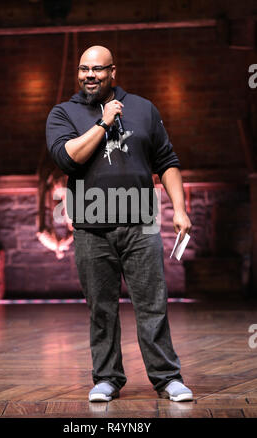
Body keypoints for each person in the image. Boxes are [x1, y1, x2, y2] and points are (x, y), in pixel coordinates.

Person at [46, 45, 193, 402]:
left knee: (152, 304)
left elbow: (167, 161)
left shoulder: (144, 109)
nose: (89, 75)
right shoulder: (63, 113)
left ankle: (167, 377)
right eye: (83, 69)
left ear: (114, 72)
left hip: (141, 225)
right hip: (92, 227)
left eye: (97, 69)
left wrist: (181, 208)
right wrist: (104, 122)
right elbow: (69, 159)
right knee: (101, 307)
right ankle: (107, 378)